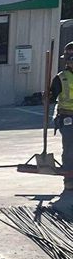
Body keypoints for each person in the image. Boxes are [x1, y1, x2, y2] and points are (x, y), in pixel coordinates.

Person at [49, 45, 73, 174]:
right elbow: (52, 98)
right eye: (69, 60)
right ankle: (69, 178)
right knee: (70, 148)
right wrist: (47, 97)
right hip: (68, 118)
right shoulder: (61, 78)